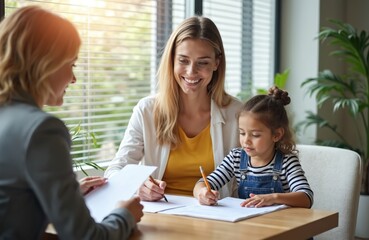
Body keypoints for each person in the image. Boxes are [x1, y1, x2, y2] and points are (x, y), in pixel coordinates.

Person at [0, 5, 143, 240]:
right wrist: (124, 214)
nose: (74, 78)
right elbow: (86, 237)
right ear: (45, 63)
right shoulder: (41, 131)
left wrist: (70, 193)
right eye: (71, 64)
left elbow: (11, 204)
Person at [104, 16, 242, 200]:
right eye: (183, 60)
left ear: (216, 63)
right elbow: (115, 170)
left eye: (203, 62)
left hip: (219, 218)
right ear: (171, 60)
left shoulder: (237, 113)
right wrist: (138, 187)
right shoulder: (147, 110)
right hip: (162, 217)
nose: (191, 71)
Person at [193, 86, 314, 208]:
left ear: (276, 135)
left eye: (255, 135)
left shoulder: (287, 162)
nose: (246, 141)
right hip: (246, 223)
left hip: (280, 224)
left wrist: (273, 198)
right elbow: (203, 183)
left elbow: (306, 198)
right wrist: (202, 192)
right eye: (242, 133)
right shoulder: (236, 158)